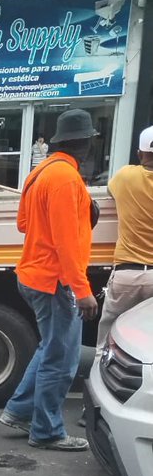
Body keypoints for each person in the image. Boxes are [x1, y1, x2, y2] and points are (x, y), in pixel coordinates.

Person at [0, 108, 99, 450]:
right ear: (84, 144)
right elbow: (66, 241)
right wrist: (82, 290)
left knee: (51, 348)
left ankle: (19, 410)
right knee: (62, 358)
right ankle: (46, 431)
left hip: (35, 274)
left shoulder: (40, 172)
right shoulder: (66, 179)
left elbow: (24, 224)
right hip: (55, 281)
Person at [96, 125, 153, 351]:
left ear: (139, 154)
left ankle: (102, 379)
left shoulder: (126, 177)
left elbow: (109, 193)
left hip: (126, 275)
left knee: (107, 341)